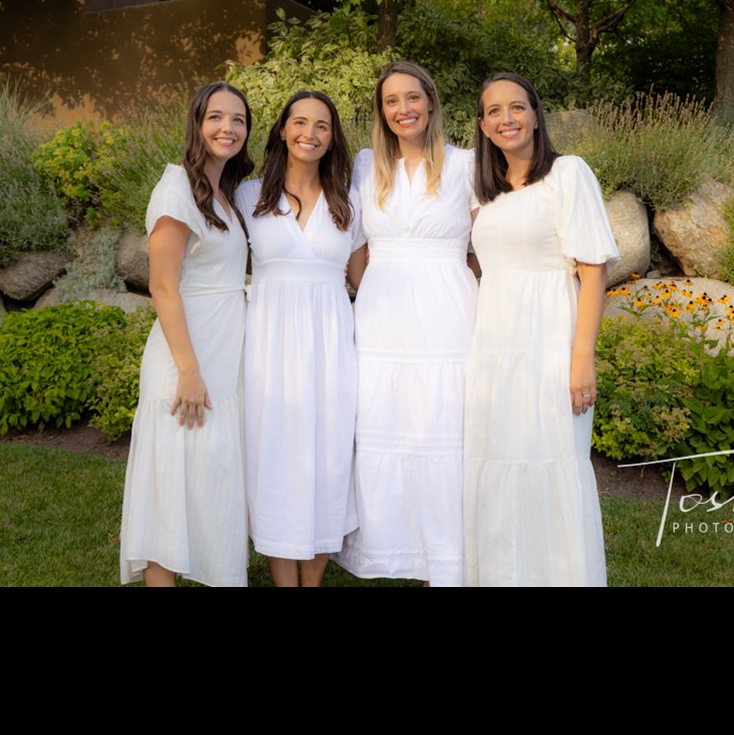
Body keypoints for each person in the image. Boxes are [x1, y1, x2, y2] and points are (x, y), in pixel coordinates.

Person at [464, 72, 619, 587]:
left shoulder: (568, 174)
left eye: (517, 107)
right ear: (482, 126)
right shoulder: (484, 192)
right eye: (494, 111)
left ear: (535, 115)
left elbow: (593, 269)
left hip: (550, 338)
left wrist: (582, 358)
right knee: (497, 460)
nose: (506, 118)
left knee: (551, 459)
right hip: (494, 343)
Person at [334, 60, 479, 587]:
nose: (403, 109)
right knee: (385, 424)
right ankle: (396, 552)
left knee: (445, 431)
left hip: (448, 317)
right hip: (382, 319)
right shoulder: (368, 164)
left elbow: (485, 244)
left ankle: (445, 565)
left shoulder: (466, 164)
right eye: (391, 101)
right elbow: (354, 244)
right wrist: (373, 288)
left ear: (431, 101)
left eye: (412, 97)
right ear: (381, 111)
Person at [120, 82, 253, 588]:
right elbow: (162, 285)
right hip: (186, 360)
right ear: (197, 123)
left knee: (207, 484)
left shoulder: (224, 194)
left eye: (238, 120)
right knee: (170, 493)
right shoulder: (176, 188)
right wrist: (189, 370)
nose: (227, 128)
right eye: (216, 117)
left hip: (221, 354)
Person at [235, 91, 365, 587]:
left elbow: (364, 279)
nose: (310, 133)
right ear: (283, 130)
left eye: (322, 126)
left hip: (332, 348)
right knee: (274, 460)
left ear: (333, 138)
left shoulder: (349, 202)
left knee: (330, 461)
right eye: (300, 122)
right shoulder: (248, 196)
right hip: (268, 348)